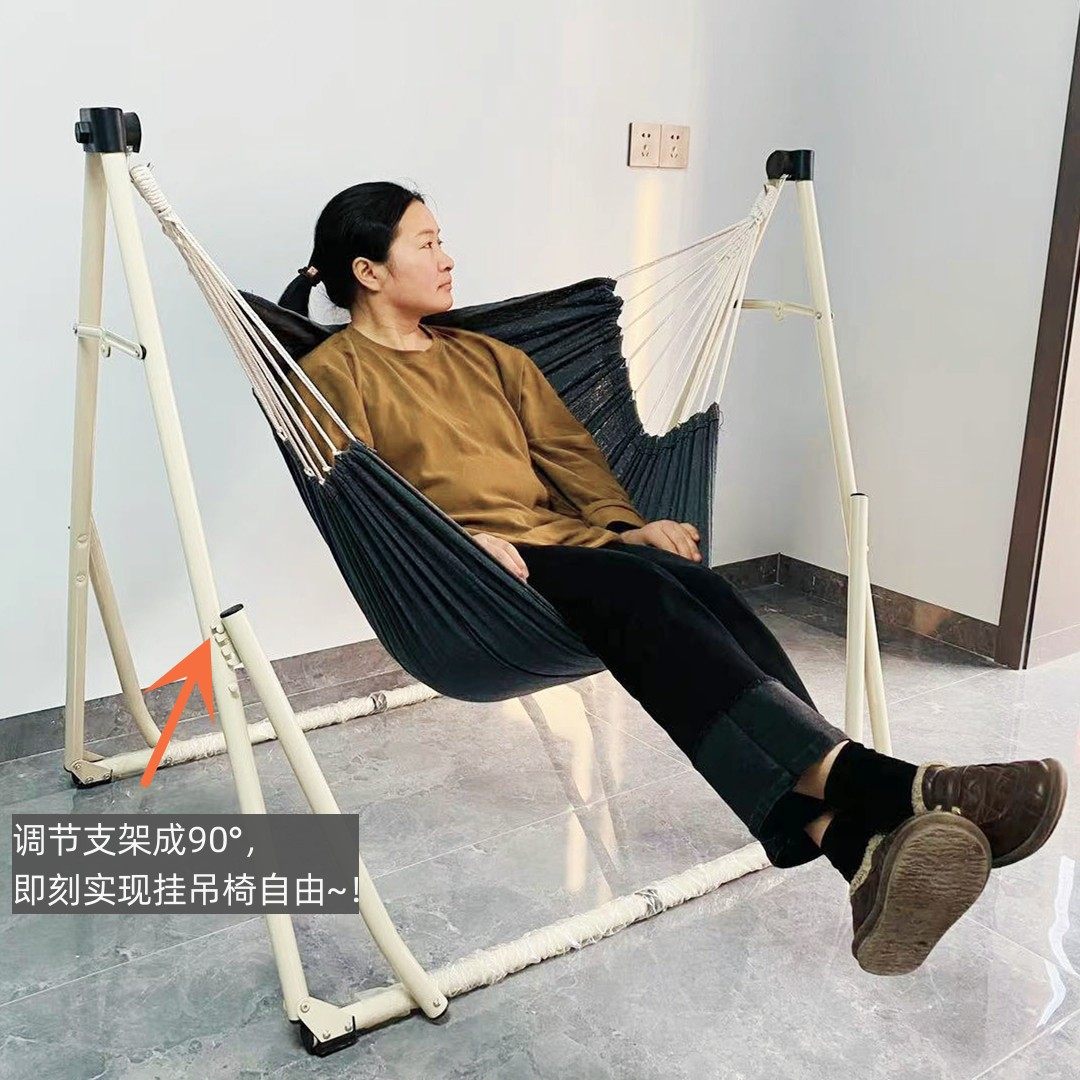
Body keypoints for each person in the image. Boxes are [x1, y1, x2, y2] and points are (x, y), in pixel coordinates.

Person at [279, 181, 1067, 977]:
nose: (448, 258)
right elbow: (364, 501)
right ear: (369, 272)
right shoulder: (332, 375)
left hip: (570, 545)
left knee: (701, 587)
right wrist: (454, 542)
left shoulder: (489, 357)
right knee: (642, 594)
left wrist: (627, 526)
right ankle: (897, 787)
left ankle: (855, 848)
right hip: (475, 578)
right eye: (426, 244)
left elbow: (569, 456)